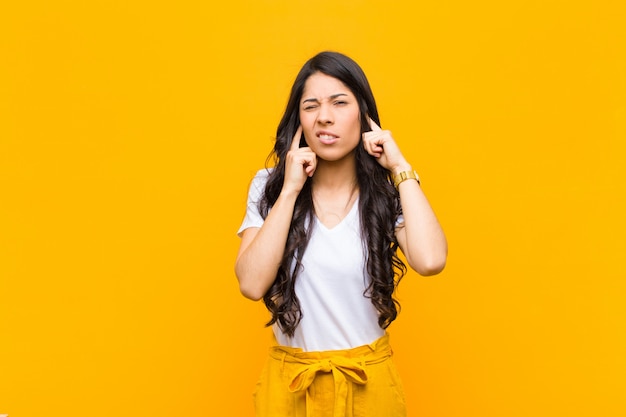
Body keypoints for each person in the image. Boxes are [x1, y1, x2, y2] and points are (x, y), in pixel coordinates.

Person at [235, 51, 447, 417]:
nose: (324, 117)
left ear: (364, 115)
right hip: (290, 385)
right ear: (298, 120)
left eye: (339, 102)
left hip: (369, 385)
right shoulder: (268, 186)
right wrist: (289, 190)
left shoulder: (386, 191)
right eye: (311, 106)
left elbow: (431, 261)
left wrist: (399, 166)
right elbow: (252, 284)